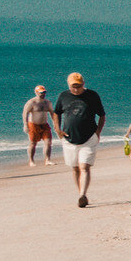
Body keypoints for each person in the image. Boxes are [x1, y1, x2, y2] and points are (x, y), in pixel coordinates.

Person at [54, 71, 106, 207]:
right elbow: (56, 113)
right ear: (69, 85)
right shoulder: (63, 96)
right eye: (73, 86)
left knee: (84, 167)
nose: (76, 89)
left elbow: (102, 115)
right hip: (69, 139)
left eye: (78, 86)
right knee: (75, 168)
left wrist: (98, 132)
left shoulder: (92, 96)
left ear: (83, 84)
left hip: (89, 138)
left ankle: (83, 194)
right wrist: (57, 129)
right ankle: (80, 194)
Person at [23, 85, 56, 165]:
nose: (43, 94)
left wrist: (55, 123)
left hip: (44, 125)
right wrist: (25, 125)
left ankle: (47, 160)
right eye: (41, 92)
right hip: (33, 124)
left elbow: (52, 113)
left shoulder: (47, 103)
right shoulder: (32, 102)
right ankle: (31, 161)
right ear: (36, 93)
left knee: (48, 142)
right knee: (33, 143)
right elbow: (25, 113)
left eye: (44, 92)